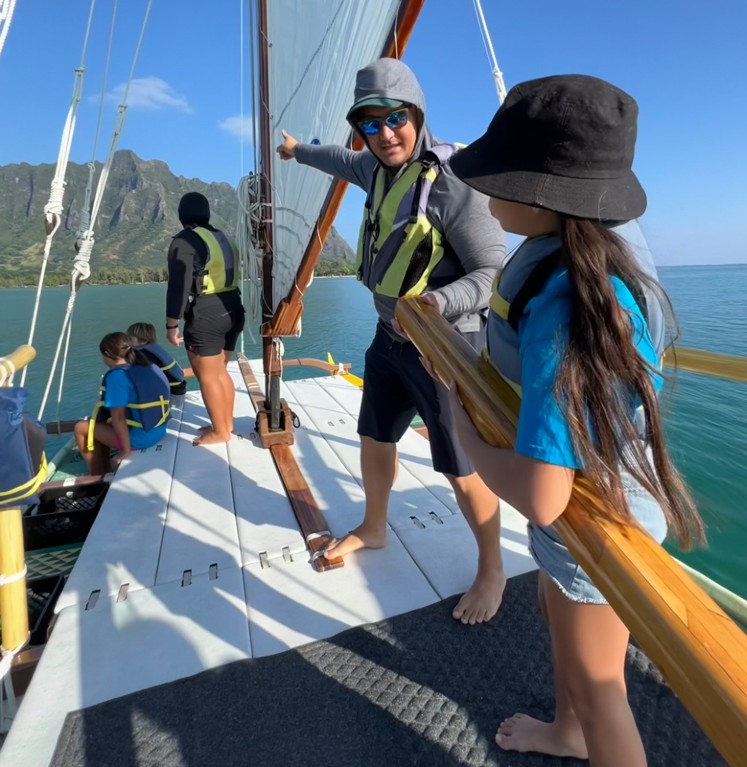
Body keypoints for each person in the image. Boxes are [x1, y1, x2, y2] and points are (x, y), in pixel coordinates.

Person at [446, 75, 706, 765]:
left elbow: (542, 494)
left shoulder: (566, 310)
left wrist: (466, 433)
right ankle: (566, 733)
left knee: (602, 690)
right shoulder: (586, 244)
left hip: (599, 516)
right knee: (554, 611)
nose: (483, 192)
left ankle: (581, 726)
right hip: (586, 507)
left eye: (496, 179)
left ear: (544, 196)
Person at [277, 57, 508, 624]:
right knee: (375, 436)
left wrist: (437, 305)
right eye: (370, 123)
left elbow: (492, 271)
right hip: (390, 339)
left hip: (448, 350)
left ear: (417, 113)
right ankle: (375, 527)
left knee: (461, 464)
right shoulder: (375, 169)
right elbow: (337, 159)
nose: (384, 134)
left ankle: (493, 567)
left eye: (395, 119)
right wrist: (295, 150)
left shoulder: (453, 184)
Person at [165, 192, 244, 445]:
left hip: (207, 314)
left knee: (208, 376)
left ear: (181, 215)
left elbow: (178, 286)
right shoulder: (222, 237)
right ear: (207, 213)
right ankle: (225, 423)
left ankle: (221, 432)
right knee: (220, 371)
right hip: (233, 307)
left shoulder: (185, 241)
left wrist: (171, 325)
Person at [74, 332, 170, 475]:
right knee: (100, 424)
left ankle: (97, 474)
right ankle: (104, 464)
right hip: (159, 430)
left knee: (81, 427)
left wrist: (125, 451)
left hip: (141, 438)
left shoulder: (117, 376)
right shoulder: (148, 367)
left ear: (106, 354)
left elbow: (118, 417)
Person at [127, 321, 191, 396]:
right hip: (178, 388)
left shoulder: (144, 355)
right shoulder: (153, 349)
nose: (127, 341)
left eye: (130, 339)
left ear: (143, 340)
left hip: (170, 392)